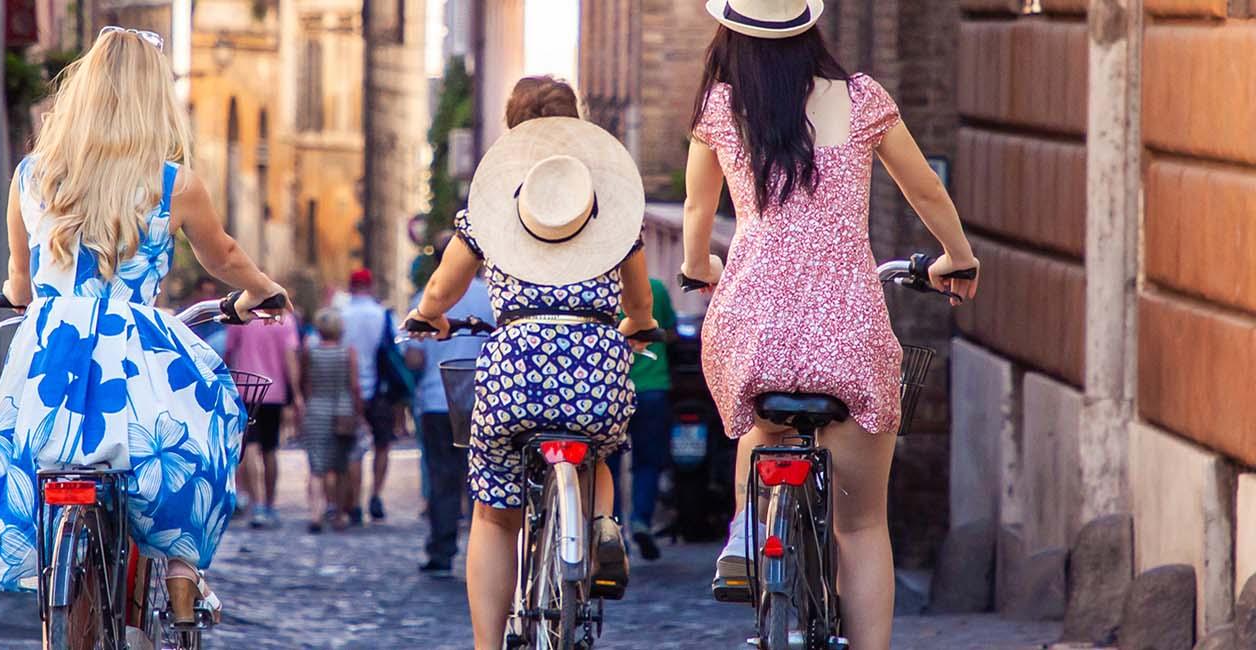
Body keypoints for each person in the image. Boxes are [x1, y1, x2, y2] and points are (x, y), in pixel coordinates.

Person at [0, 26, 288, 630]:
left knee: (40, 467)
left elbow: (18, 282)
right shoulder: (173, 183)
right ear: (155, 98)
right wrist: (263, 290)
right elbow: (225, 256)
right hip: (135, 355)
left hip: (49, 354)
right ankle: (181, 571)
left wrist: (20, 296)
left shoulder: (32, 176)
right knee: (205, 429)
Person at [680, 2, 980, 647]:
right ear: (809, 25)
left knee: (761, 423)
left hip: (753, 324)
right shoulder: (864, 100)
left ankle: (746, 526)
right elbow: (924, 186)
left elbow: (697, 206)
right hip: (847, 328)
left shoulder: (720, 108)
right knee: (863, 526)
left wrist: (698, 263)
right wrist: (958, 257)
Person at [405, 75, 659, 649]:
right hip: (596, 369)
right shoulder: (612, 211)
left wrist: (427, 316)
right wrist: (640, 327)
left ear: (512, 136)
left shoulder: (490, 212)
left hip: (513, 374)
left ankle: (487, 645)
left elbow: (442, 291)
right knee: (598, 451)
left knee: (494, 517)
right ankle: (599, 525)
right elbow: (639, 304)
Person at [402, 231, 494, 578]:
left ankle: (442, 551)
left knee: (443, 478)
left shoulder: (423, 299)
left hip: (437, 401)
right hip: (484, 400)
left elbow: (412, 358)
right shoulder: (491, 298)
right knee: (484, 479)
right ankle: (485, 551)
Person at [608, 277, 678, 561]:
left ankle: (610, 529)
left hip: (611, 389)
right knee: (648, 462)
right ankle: (641, 521)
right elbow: (671, 332)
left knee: (607, 465)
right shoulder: (656, 288)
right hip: (652, 387)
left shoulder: (603, 287)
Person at [224, 307, 303, 529]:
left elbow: (229, 352)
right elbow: (291, 357)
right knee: (270, 449)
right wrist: (295, 392)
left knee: (249, 447)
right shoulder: (285, 320)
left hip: (247, 389)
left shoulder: (242, 316)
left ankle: (257, 502)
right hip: (275, 392)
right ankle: (269, 503)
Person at [338, 268, 403, 523]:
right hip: (380, 391)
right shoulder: (383, 315)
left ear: (351, 286)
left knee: (353, 450)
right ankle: (375, 494)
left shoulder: (341, 315)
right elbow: (398, 348)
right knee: (382, 445)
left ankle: (353, 502)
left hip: (349, 389)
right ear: (371, 286)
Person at [299, 309, 362, 533]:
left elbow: (306, 382)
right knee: (340, 466)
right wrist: (359, 411)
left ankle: (316, 514)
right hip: (343, 411)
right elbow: (354, 385)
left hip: (316, 410)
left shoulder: (311, 353)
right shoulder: (348, 353)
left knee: (317, 467)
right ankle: (339, 513)